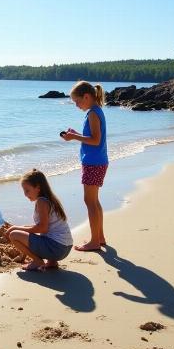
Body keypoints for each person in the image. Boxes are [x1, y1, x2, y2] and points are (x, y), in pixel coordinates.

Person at [62, 81, 108, 251]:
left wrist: (74, 138)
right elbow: (94, 137)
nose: (76, 105)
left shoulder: (92, 114)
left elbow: (95, 140)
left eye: (77, 101)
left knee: (90, 201)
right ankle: (100, 237)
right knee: (94, 201)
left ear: (87, 97)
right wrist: (76, 134)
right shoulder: (96, 111)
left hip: (93, 162)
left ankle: (95, 241)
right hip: (98, 160)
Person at [6, 169, 72, 271]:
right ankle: (52, 261)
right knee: (26, 232)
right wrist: (22, 228)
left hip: (57, 248)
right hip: (65, 247)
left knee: (14, 235)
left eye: (27, 190)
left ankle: (37, 261)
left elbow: (43, 228)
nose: (25, 194)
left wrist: (16, 228)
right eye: (24, 191)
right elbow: (42, 227)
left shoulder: (42, 202)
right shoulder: (50, 199)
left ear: (38, 187)